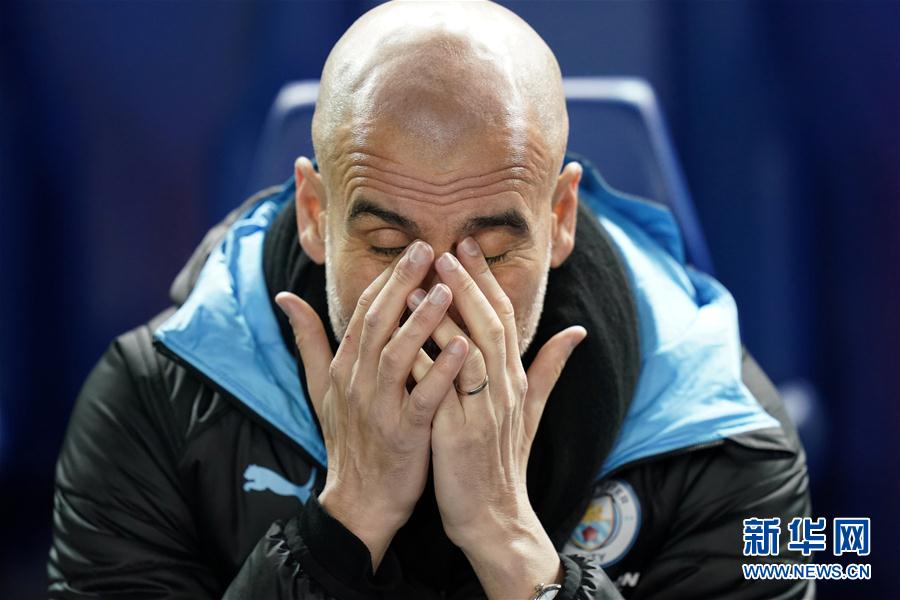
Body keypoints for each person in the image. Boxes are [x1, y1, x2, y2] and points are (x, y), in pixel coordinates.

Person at [48, 2, 812, 599]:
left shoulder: (723, 433)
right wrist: (343, 527)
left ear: (559, 219)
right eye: (389, 247)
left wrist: (510, 543)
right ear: (315, 214)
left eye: (493, 251)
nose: (440, 301)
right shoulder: (155, 403)